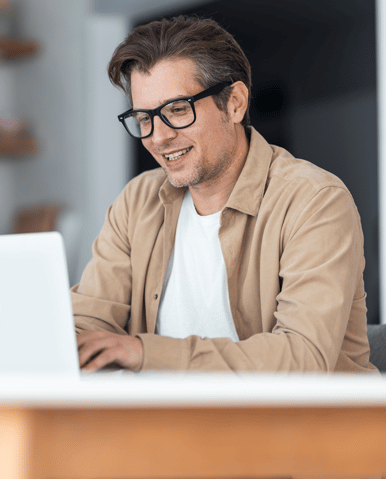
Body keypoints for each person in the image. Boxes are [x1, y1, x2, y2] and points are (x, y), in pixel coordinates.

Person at [73, 15, 378, 374]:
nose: (157, 137)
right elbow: (89, 324)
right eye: (144, 118)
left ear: (234, 102)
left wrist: (143, 352)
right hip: (166, 427)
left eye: (177, 110)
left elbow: (302, 359)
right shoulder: (137, 201)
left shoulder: (315, 202)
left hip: (295, 428)